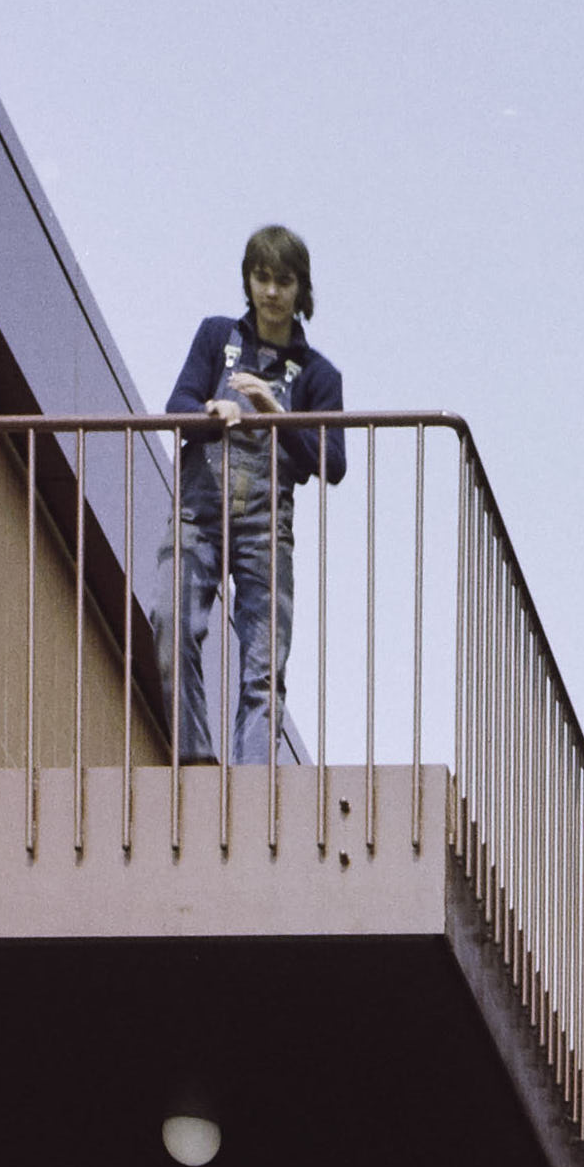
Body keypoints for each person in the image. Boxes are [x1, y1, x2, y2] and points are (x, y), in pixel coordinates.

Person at [163, 222, 341, 765]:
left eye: (282, 281)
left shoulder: (316, 374)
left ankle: (251, 787)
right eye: (261, 278)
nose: (270, 292)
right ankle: (194, 762)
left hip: (266, 530)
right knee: (170, 625)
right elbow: (177, 409)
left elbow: (332, 463)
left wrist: (274, 410)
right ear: (248, 280)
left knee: (263, 668)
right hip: (198, 512)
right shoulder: (218, 338)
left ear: (300, 289)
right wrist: (211, 412)